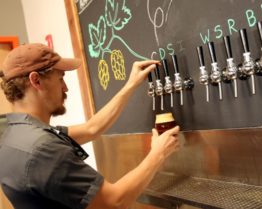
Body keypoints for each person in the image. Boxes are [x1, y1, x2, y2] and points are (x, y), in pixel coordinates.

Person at [0, 43, 180, 209]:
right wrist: (158, 153)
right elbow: (114, 202)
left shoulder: (14, 132)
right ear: (36, 80)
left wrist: (130, 85)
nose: (65, 88)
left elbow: (91, 129)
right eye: (61, 78)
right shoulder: (42, 149)